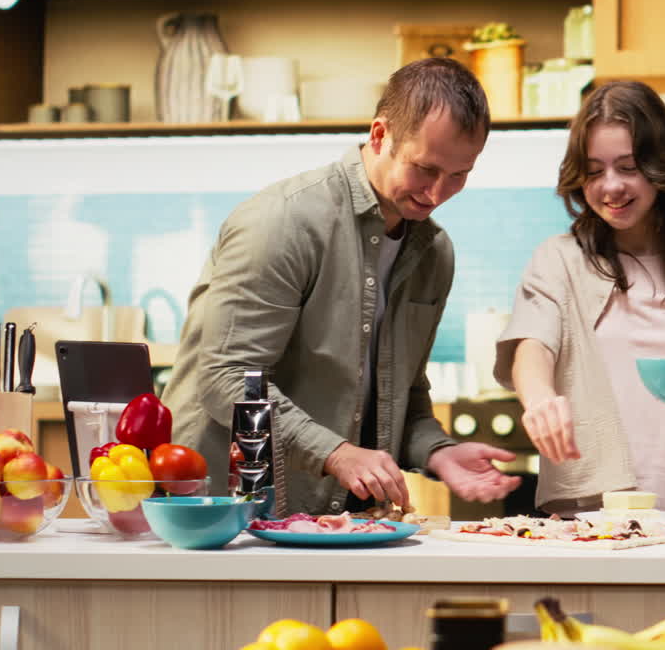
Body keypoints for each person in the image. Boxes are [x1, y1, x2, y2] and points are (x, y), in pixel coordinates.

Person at [165, 58, 521, 516]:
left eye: (459, 175)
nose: (436, 194)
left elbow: (401, 390)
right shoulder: (284, 222)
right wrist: (336, 453)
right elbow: (227, 378)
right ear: (380, 135)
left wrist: (437, 451)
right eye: (425, 169)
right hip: (220, 509)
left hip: (329, 517)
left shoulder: (433, 252)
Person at [493, 80, 665, 521]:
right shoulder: (560, 260)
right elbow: (532, 344)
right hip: (586, 519)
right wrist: (539, 400)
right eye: (594, 170)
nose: (610, 186)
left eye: (628, 167)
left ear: (661, 167)